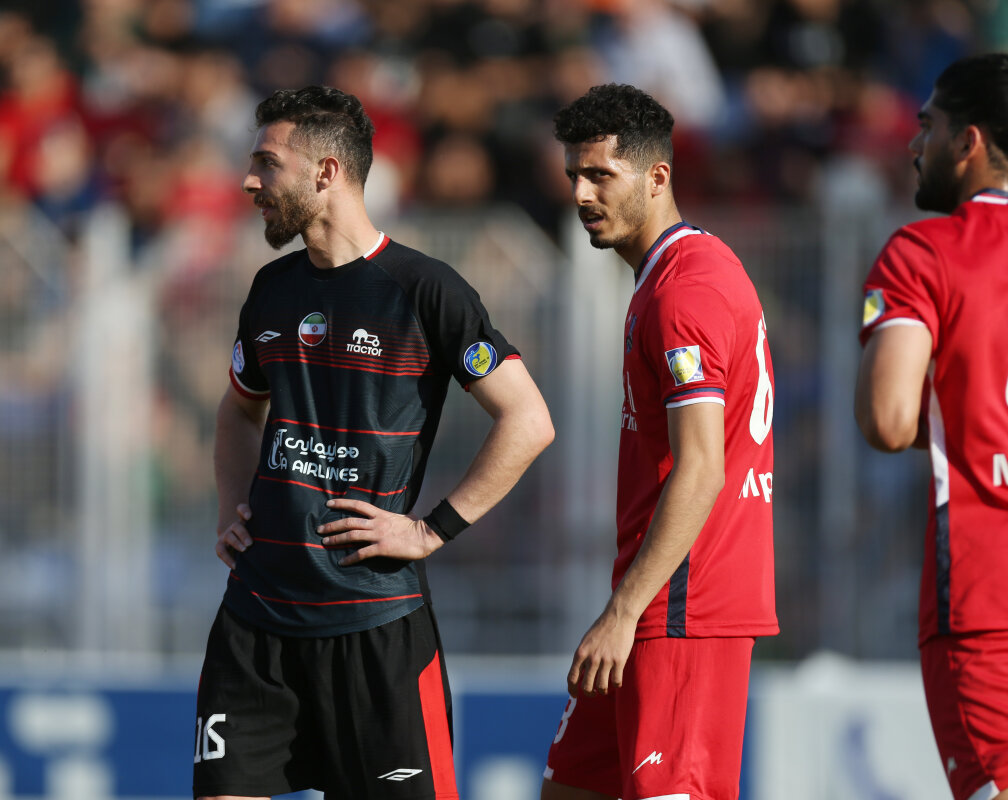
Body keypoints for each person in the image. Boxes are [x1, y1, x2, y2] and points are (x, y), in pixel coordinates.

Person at [196, 85, 554, 800]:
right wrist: (233, 506)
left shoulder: (426, 290)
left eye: (267, 163)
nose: (248, 182)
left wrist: (431, 530)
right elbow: (238, 412)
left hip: (374, 625)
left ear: (326, 172)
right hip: (256, 622)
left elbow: (528, 420)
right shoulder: (271, 289)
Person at [541, 84, 777, 800]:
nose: (581, 194)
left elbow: (701, 469)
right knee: (570, 788)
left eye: (600, 175)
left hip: (682, 603)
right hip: (652, 597)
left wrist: (624, 611)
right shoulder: (676, 275)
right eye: (573, 176)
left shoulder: (685, 292)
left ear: (657, 176)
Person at [856, 53, 1008, 800]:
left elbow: (887, 420)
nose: (916, 144)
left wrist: (960, 412)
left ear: (968, 141)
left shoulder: (923, 252)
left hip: (986, 601)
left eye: (929, 126)